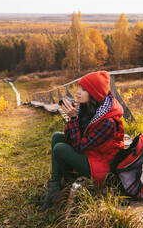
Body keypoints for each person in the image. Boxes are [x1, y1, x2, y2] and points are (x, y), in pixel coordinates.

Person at [38, 71, 124, 213]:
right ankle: (56, 187)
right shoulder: (90, 109)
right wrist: (75, 115)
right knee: (57, 137)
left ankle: (67, 181)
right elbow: (69, 137)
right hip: (92, 155)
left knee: (59, 148)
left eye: (84, 90)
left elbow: (79, 146)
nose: (78, 92)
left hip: (102, 167)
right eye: (80, 88)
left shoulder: (107, 122)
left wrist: (72, 119)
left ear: (94, 94)